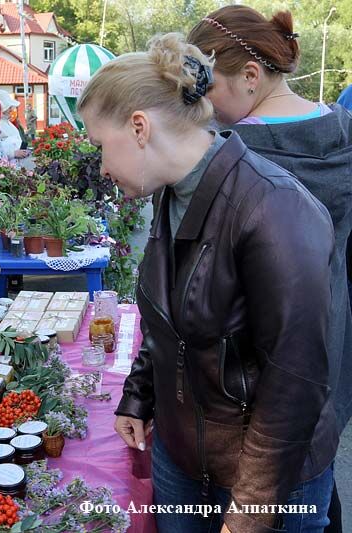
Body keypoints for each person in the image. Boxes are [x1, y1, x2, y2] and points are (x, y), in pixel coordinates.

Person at [78, 33, 337, 533]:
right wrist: (139, 396)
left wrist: (250, 514)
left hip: (268, 484)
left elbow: (295, 387)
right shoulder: (170, 194)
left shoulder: (273, 208)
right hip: (182, 463)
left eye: (99, 146)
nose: (103, 168)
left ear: (138, 128)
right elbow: (169, 318)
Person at [188, 9, 352, 531]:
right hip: (328, 352)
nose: (202, 104)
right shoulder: (344, 130)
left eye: (206, 86)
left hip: (245, 390)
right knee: (313, 484)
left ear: (251, 77)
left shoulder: (232, 156)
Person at [0, 89, 30, 163]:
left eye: (11, 107)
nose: (11, 110)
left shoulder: (7, 122)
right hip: (3, 169)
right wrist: (13, 153)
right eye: (9, 107)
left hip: (12, 165)